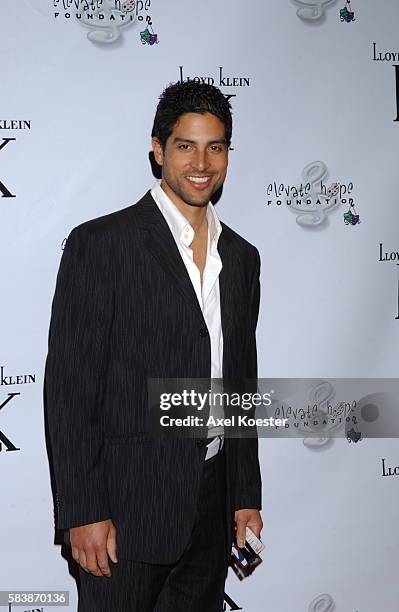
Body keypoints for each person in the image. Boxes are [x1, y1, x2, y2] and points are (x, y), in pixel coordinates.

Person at [44, 80, 263, 612]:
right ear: (158, 149)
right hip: (122, 511)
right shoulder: (102, 244)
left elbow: (240, 383)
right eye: (186, 145)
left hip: (211, 505)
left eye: (216, 146)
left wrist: (244, 497)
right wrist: (82, 509)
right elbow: (70, 389)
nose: (202, 162)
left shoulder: (242, 257)